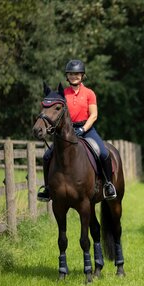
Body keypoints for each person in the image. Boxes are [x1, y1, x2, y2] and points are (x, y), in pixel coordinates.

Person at [37, 59, 117, 201]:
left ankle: (108, 185)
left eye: (77, 74)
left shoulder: (89, 93)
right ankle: (48, 188)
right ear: (67, 76)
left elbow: (94, 115)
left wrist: (83, 129)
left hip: (87, 129)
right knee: (47, 156)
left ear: (82, 75)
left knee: (104, 153)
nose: (74, 76)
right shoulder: (63, 94)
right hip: (67, 131)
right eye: (71, 74)